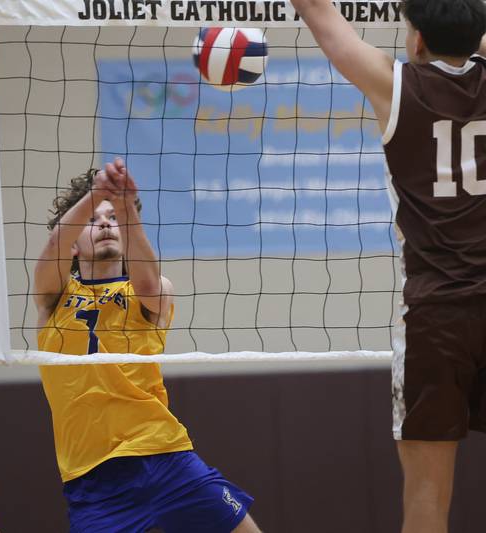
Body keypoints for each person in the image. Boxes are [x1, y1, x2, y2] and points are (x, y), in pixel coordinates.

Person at [288, 0, 486, 531]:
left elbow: (315, 11)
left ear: (416, 40)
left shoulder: (397, 85)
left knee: (426, 494)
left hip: (435, 316)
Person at [34, 157, 260, 533]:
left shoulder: (150, 292)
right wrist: (96, 195)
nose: (105, 223)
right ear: (75, 245)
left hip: (164, 455)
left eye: (112, 219)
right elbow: (55, 244)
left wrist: (124, 207)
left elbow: (151, 285)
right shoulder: (53, 296)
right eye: (93, 219)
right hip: (92, 477)